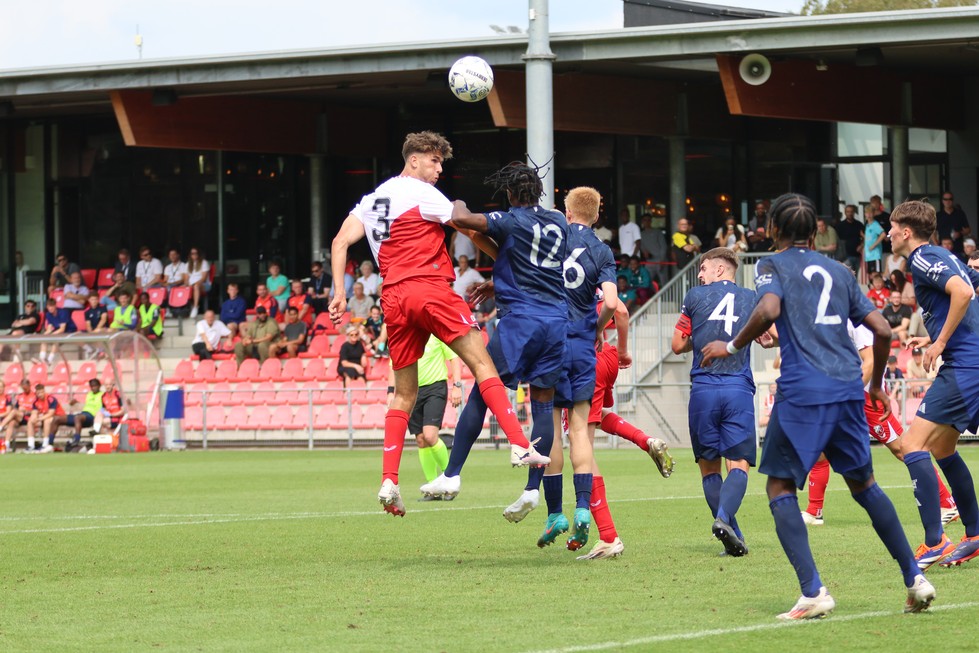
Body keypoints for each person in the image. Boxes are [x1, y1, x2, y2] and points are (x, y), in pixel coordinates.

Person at [701, 192, 934, 619]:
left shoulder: (772, 265)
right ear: (814, 232)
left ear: (773, 230)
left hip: (804, 391)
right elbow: (882, 329)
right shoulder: (841, 271)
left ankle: (813, 592)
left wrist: (732, 343)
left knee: (779, 486)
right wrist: (878, 384)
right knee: (865, 486)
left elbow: (769, 307)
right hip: (847, 388)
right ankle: (915, 578)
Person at [329, 132, 547, 517]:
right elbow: (469, 228)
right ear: (414, 160)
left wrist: (339, 293)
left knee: (403, 393)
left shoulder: (371, 200)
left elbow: (339, 243)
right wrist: (506, 263)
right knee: (483, 364)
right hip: (429, 289)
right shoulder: (422, 193)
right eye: (434, 161)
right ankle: (518, 443)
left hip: (392, 298)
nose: (439, 169)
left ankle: (389, 480)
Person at [421, 161, 570, 507]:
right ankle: (533, 489)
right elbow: (526, 259)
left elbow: (461, 219)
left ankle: (452, 474)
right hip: (555, 322)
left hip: (522, 322)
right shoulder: (558, 220)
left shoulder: (511, 219)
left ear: (512, 193)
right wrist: (497, 282)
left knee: (482, 391)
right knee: (543, 406)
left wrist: (454, 200)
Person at [888, 199, 979, 569]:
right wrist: (936, 337)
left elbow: (964, 293)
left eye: (892, 228)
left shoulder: (922, 257)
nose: (888, 233)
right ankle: (974, 534)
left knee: (911, 445)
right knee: (942, 449)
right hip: (968, 361)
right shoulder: (939, 256)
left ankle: (934, 540)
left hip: (965, 365)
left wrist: (940, 342)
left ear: (906, 232)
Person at [802, 322, 957, 528]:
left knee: (907, 449)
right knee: (820, 449)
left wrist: (852, 392)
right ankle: (814, 511)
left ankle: (946, 503)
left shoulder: (856, 321)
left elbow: (871, 361)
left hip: (865, 398)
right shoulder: (832, 315)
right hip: (841, 396)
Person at [672, 247, 757, 556]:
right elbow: (771, 336)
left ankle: (731, 531)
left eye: (704, 268)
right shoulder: (752, 298)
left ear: (720, 270)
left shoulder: (695, 297)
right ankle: (724, 521)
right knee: (739, 464)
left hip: (704, 390)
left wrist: (702, 334)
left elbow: (677, 344)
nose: (699, 274)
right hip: (738, 389)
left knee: (709, 469)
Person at [404, 335, 462, 492]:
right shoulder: (407, 335)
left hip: (435, 388)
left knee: (430, 435)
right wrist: (391, 391)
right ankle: (432, 486)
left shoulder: (436, 335)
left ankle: (450, 478)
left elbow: (454, 358)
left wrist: (457, 385)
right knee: (421, 440)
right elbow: (393, 365)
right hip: (412, 390)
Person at [65, 378, 104, 452]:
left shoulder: (102, 395)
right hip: (83, 414)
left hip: (92, 416)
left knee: (77, 417)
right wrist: (75, 402)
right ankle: (48, 444)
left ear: (99, 386)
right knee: (57, 419)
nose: (93, 388)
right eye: (91, 386)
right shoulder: (89, 394)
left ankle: (76, 440)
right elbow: (83, 403)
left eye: (95, 386)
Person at [26, 383, 66, 453]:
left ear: (44, 391)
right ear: (36, 393)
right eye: (38, 393)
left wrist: (39, 419)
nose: (40, 394)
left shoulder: (51, 399)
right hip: (46, 417)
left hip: (59, 417)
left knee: (46, 421)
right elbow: (34, 412)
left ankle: (45, 444)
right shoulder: (35, 401)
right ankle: (31, 445)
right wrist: (34, 418)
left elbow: (51, 413)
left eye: (41, 392)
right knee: (30, 421)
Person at [2, 379, 35, 451]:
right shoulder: (20, 396)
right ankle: (6, 445)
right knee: (11, 422)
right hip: (20, 417)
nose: (24, 389)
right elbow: (16, 408)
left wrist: (26, 411)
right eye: (23, 388)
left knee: (13, 412)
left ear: (29, 386)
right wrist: (19, 410)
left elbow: (36, 410)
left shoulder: (34, 396)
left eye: (26, 388)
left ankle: (1, 426)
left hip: (29, 417)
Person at [639, 213, 669, 287]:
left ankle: (666, 298)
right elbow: (640, 245)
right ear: (642, 221)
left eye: (648, 220)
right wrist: (644, 251)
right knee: (647, 281)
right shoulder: (640, 234)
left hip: (661, 260)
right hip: (649, 261)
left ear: (651, 221)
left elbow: (663, 246)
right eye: (645, 220)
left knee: (664, 282)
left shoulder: (657, 232)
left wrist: (662, 260)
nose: (647, 222)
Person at [835, 204, 863, 272]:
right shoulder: (840, 226)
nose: (850, 213)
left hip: (858, 256)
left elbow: (866, 238)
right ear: (845, 212)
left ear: (854, 212)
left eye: (851, 211)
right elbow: (837, 240)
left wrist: (862, 245)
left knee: (858, 278)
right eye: (848, 211)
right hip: (845, 257)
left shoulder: (859, 225)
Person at [186, 247, 211, 318]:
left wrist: (195, 284)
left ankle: (195, 307)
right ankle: (183, 310)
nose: (194, 255)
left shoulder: (204, 262)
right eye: (192, 253)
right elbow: (186, 279)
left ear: (199, 254)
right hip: (191, 285)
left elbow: (204, 278)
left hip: (204, 284)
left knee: (196, 286)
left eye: (196, 253)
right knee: (184, 289)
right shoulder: (187, 264)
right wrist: (187, 285)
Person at [864, 205, 886, 275]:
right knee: (870, 276)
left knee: (876, 275)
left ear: (873, 214)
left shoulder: (875, 224)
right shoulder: (867, 225)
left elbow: (883, 234)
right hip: (868, 255)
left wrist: (874, 245)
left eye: (871, 213)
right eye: (867, 213)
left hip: (875, 255)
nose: (869, 215)